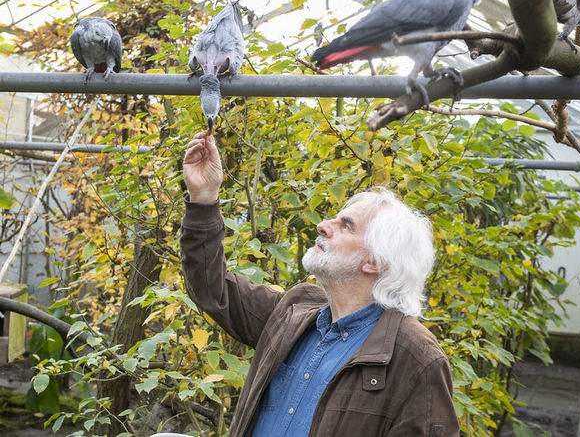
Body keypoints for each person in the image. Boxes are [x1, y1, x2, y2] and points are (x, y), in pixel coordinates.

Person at [181, 132, 459, 436]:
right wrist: (204, 198)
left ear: (375, 262)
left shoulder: (417, 359)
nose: (323, 226)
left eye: (346, 226)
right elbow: (212, 289)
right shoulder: (294, 311)